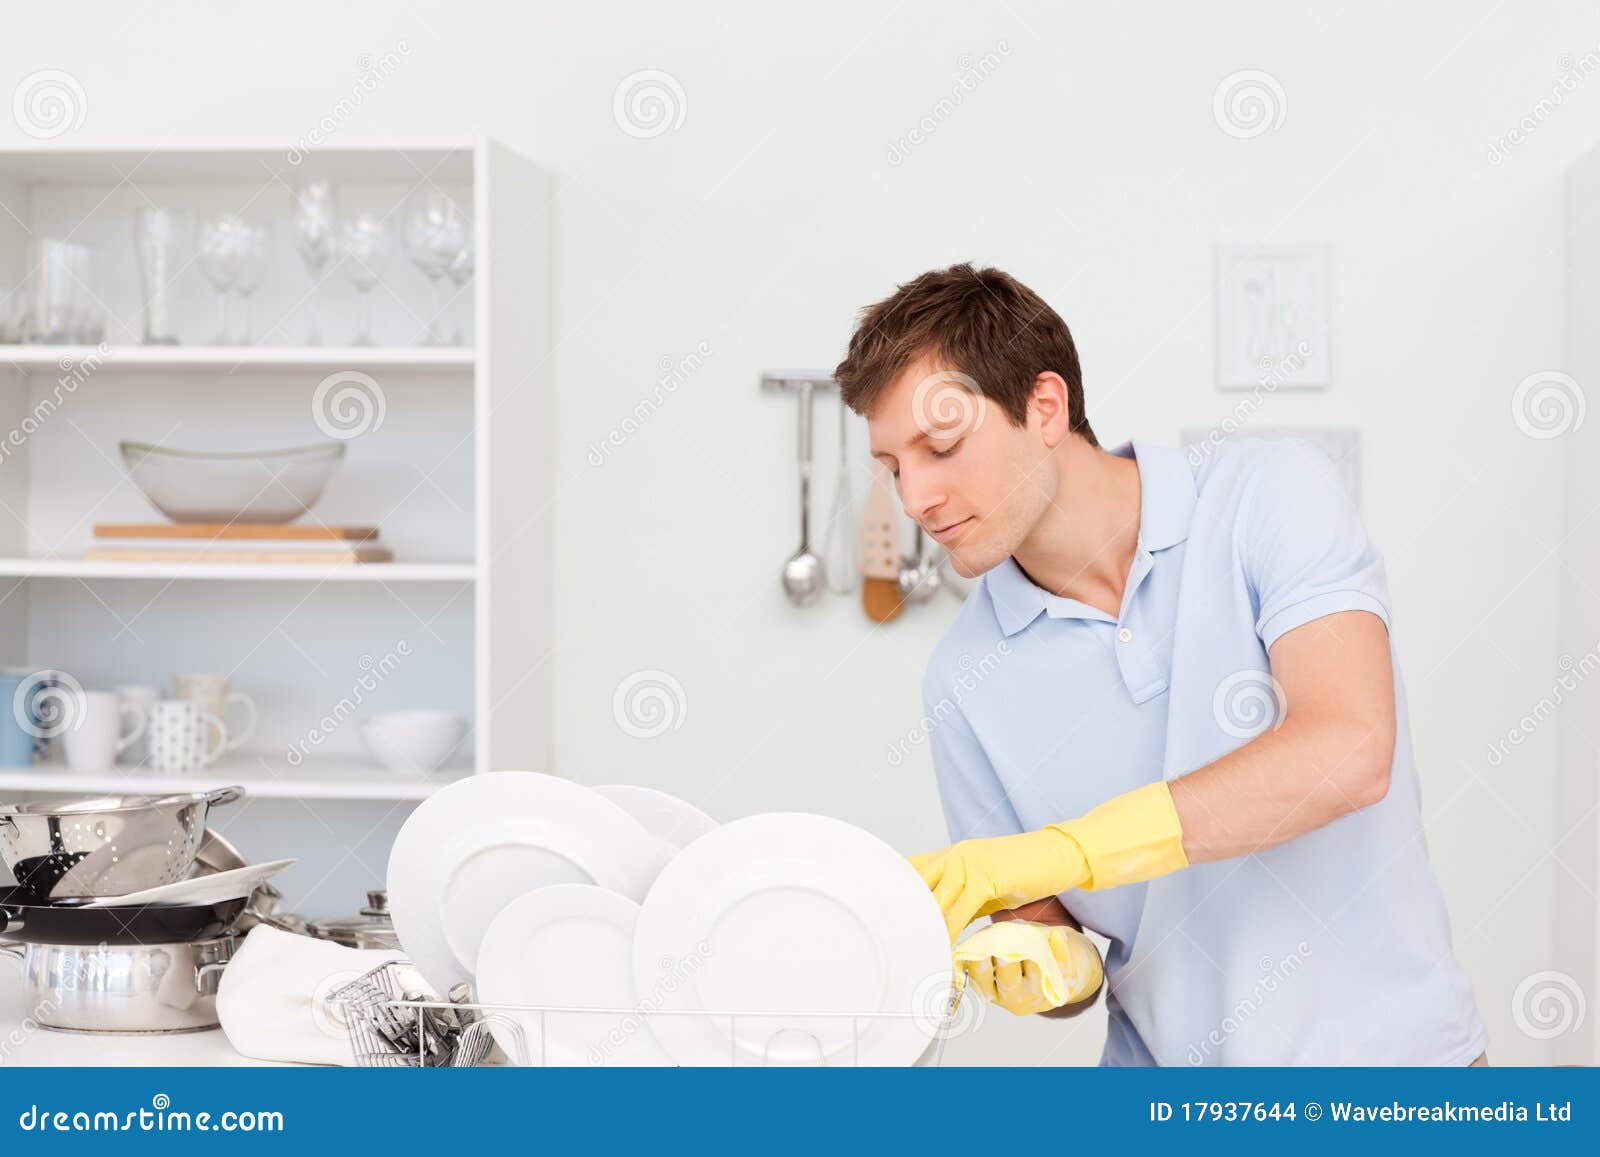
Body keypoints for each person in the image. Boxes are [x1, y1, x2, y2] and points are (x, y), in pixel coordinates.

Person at [833, 263, 1487, 1066]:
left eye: (941, 446)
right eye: (894, 467)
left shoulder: (1267, 497)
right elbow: (1051, 941)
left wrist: (1072, 849)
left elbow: (1348, 749)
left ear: (1045, 407)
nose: (916, 499)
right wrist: (1041, 962)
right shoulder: (964, 679)